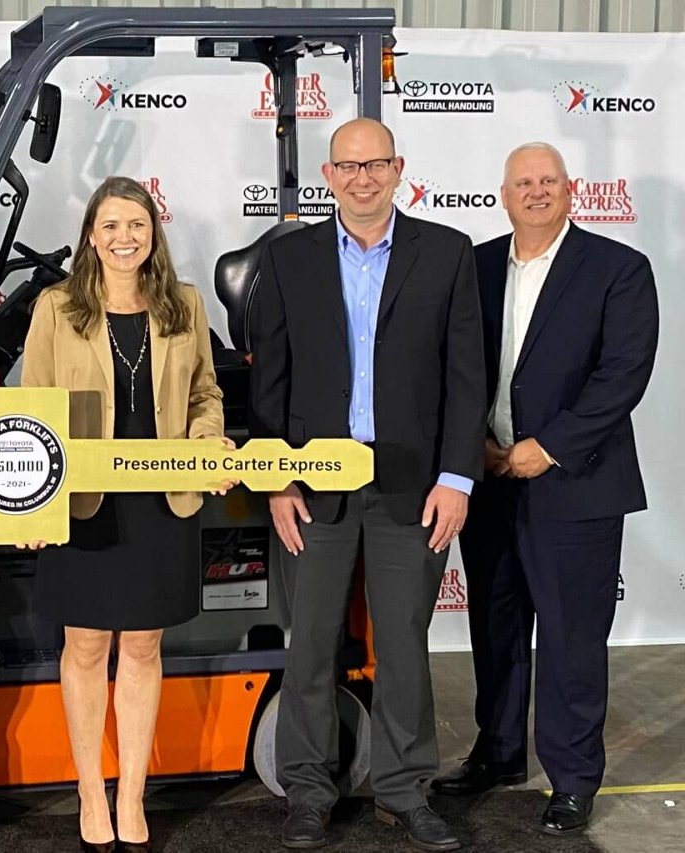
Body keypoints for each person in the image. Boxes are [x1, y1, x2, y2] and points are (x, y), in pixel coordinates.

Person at [250, 118, 484, 852]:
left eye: (375, 164)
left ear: (397, 168)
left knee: (406, 645)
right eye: (348, 166)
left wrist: (457, 477)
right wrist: (276, 478)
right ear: (328, 175)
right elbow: (271, 384)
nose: (361, 177)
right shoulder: (288, 260)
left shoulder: (446, 253)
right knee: (311, 641)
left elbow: (465, 377)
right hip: (313, 486)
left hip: (413, 487)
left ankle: (404, 788)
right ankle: (309, 792)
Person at [431, 143, 658, 837]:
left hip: (576, 485)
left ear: (571, 190)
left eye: (547, 181)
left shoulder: (619, 269)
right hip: (490, 480)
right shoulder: (473, 265)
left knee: (570, 638)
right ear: (503, 193)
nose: (535, 191)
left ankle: (572, 777)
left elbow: (621, 375)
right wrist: (478, 449)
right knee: (494, 629)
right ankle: (497, 754)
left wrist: (547, 447)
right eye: (523, 182)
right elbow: (452, 367)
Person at [20, 176, 228, 853]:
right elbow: (34, 407)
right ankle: (90, 791)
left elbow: (204, 393)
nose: (123, 237)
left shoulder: (185, 305)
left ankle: (132, 794)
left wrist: (207, 440)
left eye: (135, 225)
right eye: (110, 225)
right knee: (84, 645)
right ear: (90, 234)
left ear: (152, 234)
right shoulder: (56, 307)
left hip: (163, 502)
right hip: (84, 501)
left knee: (142, 645)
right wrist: (31, 501)